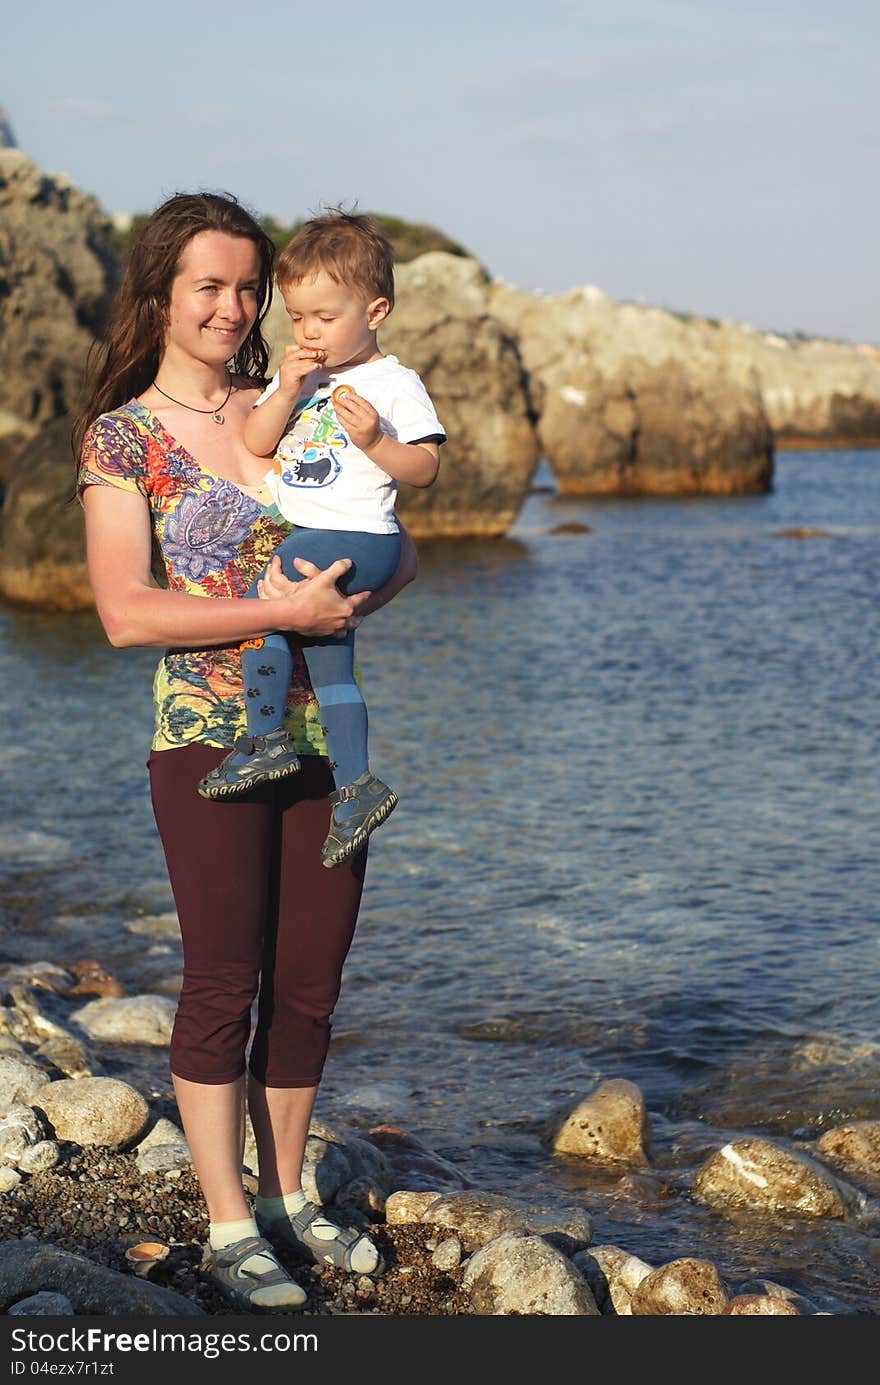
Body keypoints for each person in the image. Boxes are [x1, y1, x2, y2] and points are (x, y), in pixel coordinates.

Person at [75, 191, 418, 1312]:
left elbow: (391, 539)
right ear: (163, 296)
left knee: (311, 984)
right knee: (225, 978)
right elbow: (126, 612)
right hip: (205, 738)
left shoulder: (305, 396)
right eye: (207, 286)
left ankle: (287, 1193)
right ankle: (229, 1224)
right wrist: (283, 618)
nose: (231, 307)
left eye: (244, 287)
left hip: (325, 731)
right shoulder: (123, 436)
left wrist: (362, 588)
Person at [196, 210, 444, 871]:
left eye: (325, 318)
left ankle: (265, 738)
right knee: (331, 660)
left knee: (267, 599)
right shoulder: (308, 379)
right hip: (325, 532)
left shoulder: (394, 384)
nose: (309, 331)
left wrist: (374, 442)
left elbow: (425, 469)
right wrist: (287, 388)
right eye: (299, 317)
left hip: (363, 536)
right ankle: (358, 786)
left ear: (376, 309)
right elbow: (256, 440)